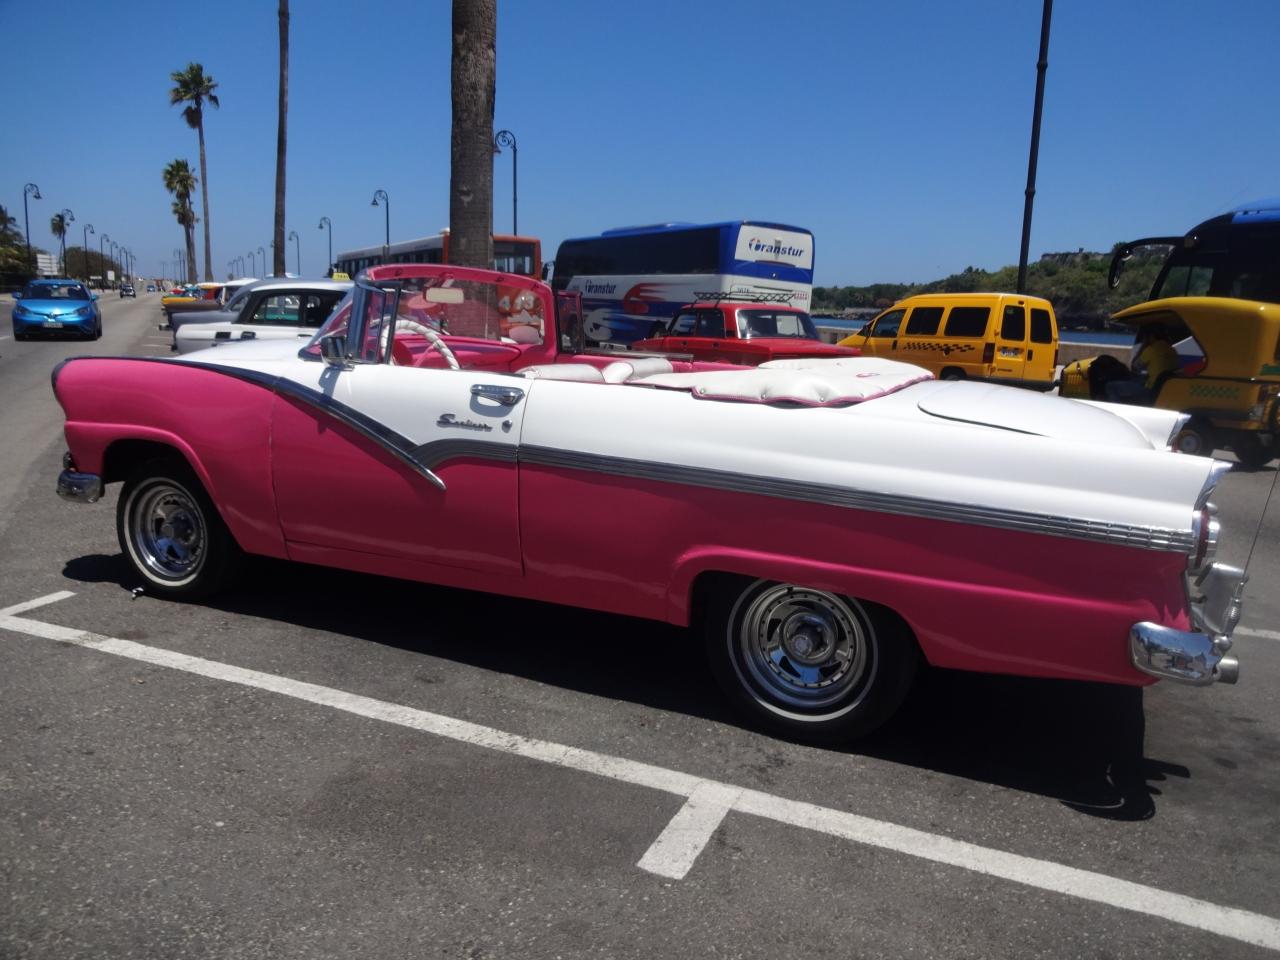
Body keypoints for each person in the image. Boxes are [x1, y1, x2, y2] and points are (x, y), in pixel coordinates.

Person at [1103, 324, 1178, 405]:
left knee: (1110, 386)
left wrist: (1143, 346)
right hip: (1164, 387)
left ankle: (1117, 409)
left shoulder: (1151, 350)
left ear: (1152, 336)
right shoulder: (1172, 350)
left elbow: (1134, 366)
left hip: (1150, 389)